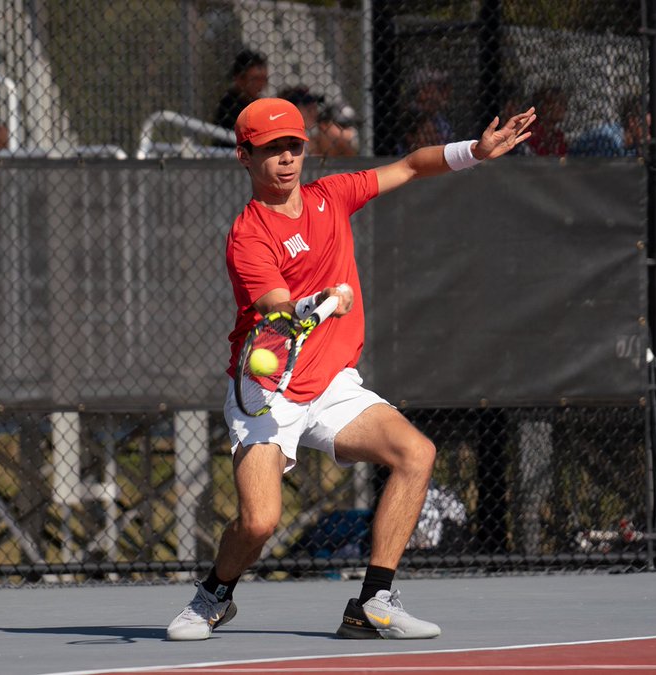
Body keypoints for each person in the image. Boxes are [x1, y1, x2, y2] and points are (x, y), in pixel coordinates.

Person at [166, 96, 537, 641]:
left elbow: (410, 166)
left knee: (416, 454)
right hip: (268, 391)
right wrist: (315, 303)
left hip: (332, 383)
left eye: (294, 146)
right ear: (245, 156)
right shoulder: (248, 234)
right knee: (259, 521)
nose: (286, 159)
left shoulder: (332, 196)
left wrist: (475, 152)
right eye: (271, 149)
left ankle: (373, 602)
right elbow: (275, 305)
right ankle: (214, 595)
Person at [212, 49, 269, 144]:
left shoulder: (257, 103)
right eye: (255, 79)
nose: (261, 84)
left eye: (264, 79)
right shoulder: (229, 106)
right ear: (239, 79)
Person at [570, 95, 648, 158]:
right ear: (632, 122)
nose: (649, 136)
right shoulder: (608, 139)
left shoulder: (634, 146)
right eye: (647, 128)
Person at [522, 86, 569, 158]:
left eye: (564, 103)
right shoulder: (530, 131)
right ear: (544, 106)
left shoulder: (558, 135)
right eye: (559, 103)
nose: (564, 108)